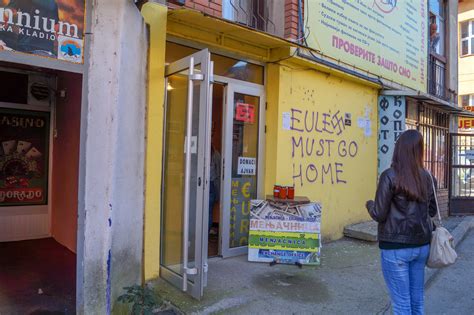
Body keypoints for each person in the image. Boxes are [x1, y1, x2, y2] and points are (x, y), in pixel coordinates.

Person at [366, 130, 437, 315]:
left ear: (399, 149)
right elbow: (432, 211)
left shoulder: (389, 176)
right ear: (420, 151)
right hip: (421, 245)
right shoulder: (428, 177)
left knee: (401, 304)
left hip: (395, 247)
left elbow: (379, 214)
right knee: (417, 301)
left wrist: (369, 204)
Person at [208, 144, 221, 235]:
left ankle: (200, 234)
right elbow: (220, 171)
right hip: (212, 185)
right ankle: (206, 233)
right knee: (209, 211)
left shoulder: (200, 153)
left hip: (203, 185)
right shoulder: (216, 154)